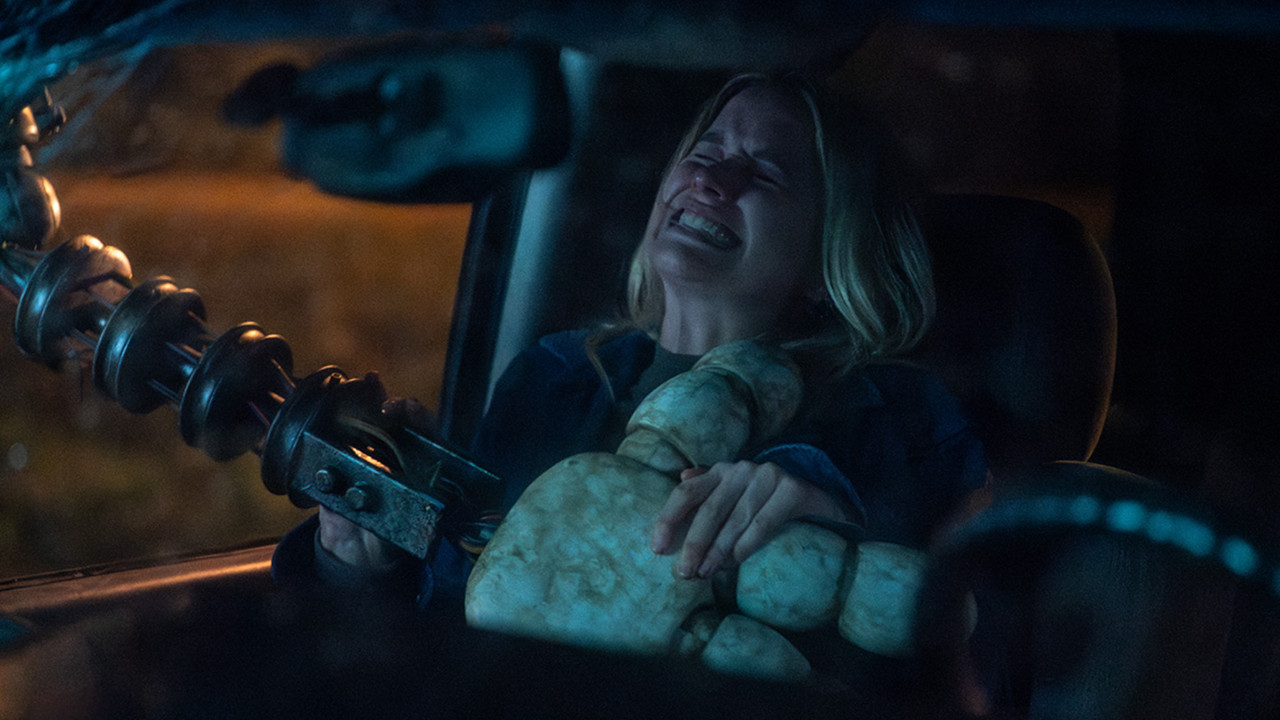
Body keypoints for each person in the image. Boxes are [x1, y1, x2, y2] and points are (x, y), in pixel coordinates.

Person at [272, 72, 987, 625]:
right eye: (705, 152)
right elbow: (466, 610)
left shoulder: (897, 412)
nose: (711, 180)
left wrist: (831, 512)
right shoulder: (552, 380)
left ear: (831, 258)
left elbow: (967, 611)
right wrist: (362, 561)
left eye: (764, 174)